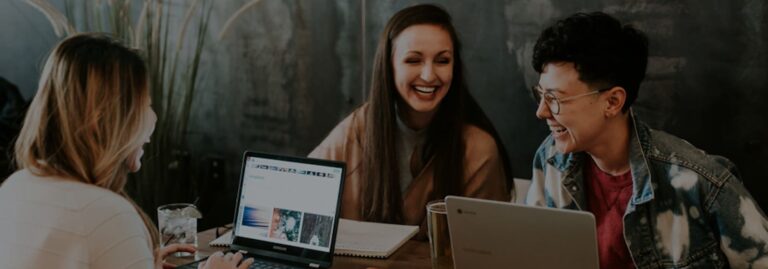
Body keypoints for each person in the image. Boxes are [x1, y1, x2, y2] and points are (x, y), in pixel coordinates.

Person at [525, 12, 768, 268]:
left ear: (612, 101)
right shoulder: (551, 158)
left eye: (555, 99)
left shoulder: (700, 182)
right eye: (540, 95)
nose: (541, 111)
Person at [0, 33, 252, 269]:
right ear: (105, 120)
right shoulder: (106, 215)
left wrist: (136, 258)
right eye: (146, 106)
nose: (153, 119)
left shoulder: (15, 186)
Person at [310, 4, 512, 232]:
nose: (428, 75)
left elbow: (484, 250)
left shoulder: (478, 150)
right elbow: (301, 194)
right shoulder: (358, 128)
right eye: (413, 60)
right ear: (389, 66)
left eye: (442, 61)